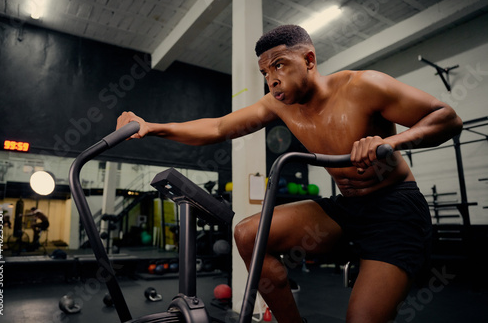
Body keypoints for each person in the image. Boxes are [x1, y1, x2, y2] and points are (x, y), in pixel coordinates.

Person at [116, 25, 462, 323]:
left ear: (309, 60)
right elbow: (219, 126)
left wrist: (391, 141)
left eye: (279, 65)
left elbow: (447, 117)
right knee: (249, 234)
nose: (272, 80)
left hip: (395, 211)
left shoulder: (363, 86)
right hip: (347, 209)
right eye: (265, 73)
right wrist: (152, 126)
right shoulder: (278, 104)